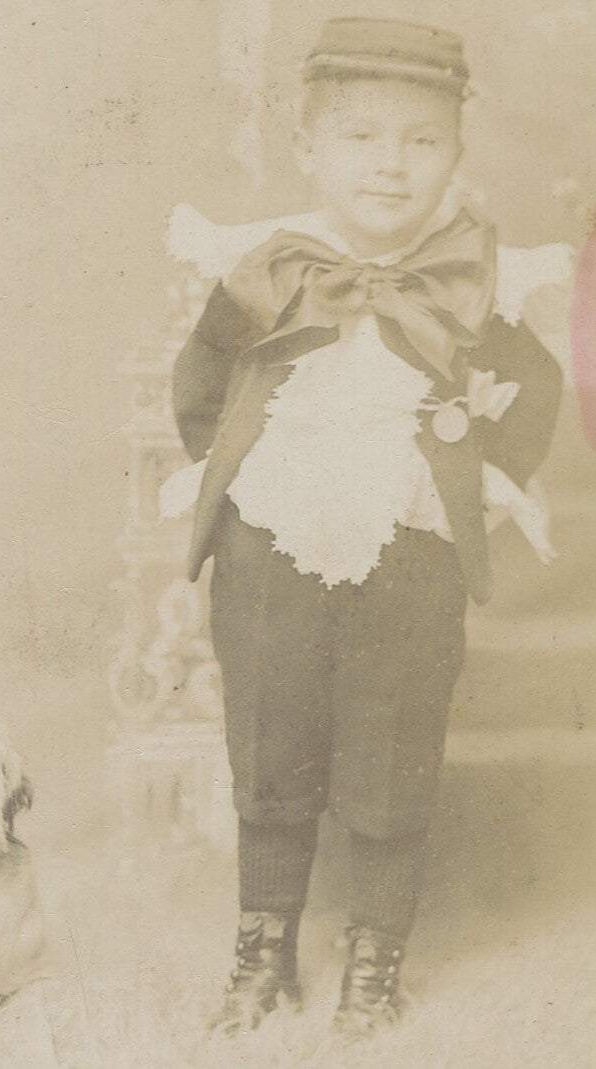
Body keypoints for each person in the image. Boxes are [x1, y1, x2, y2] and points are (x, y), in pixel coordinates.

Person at [166, 17, 563, 1038]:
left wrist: (474, 476)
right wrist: (243, 480)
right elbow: (201, 382)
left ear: (456, 157)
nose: (391, 164)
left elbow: (534, 389)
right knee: (270, 740)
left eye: (422, 142)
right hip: (272, 537)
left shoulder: (473, 274)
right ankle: (262, 952)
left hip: (409, 545)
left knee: (395, 746)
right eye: (361, 137)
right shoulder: (268, 267)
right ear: (309, 149)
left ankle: (375, 960)